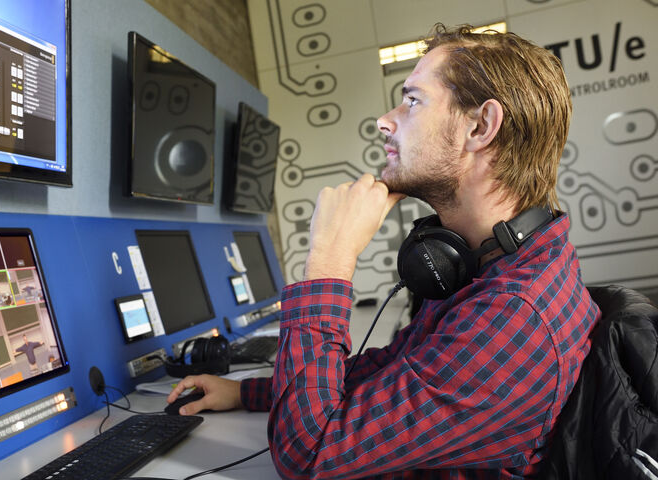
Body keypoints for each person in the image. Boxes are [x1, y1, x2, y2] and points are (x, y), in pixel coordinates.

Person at [168, 24, 600, 478]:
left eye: (413, 101)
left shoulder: (515, 316)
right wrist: (247, 393)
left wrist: (329, 261)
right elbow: (391, 368)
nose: (385, 120)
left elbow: (308, 457)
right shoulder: (494, 262)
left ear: (480, 126)